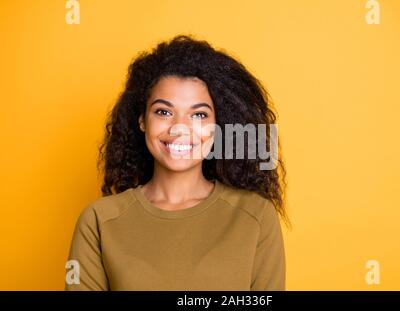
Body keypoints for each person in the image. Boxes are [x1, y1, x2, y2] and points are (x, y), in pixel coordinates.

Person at [65, 35, 290, 290]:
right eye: (164, 112)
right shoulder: (99, 221)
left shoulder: (255, 217)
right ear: (142, 120)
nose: (180, 128)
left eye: (199, 115)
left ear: (217, 127)